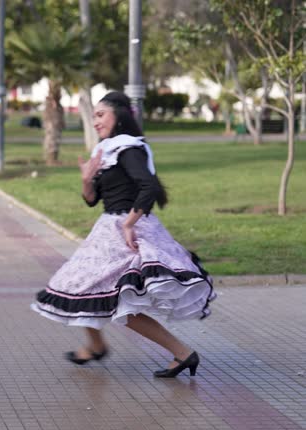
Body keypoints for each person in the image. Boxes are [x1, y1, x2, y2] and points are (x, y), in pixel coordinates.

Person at [31, 91, 215, 378]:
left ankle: (183, 353)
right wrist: (85, 181)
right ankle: (96, 345)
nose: (95, 122)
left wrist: (129, 225)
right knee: (82, 287)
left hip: (130, 230)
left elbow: (149, 188)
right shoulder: (107, 150)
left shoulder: (129, 148)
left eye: (100, 115)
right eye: (93, 116)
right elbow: (93, 200)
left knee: (120, 303)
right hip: (108, 229)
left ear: (119, 116)